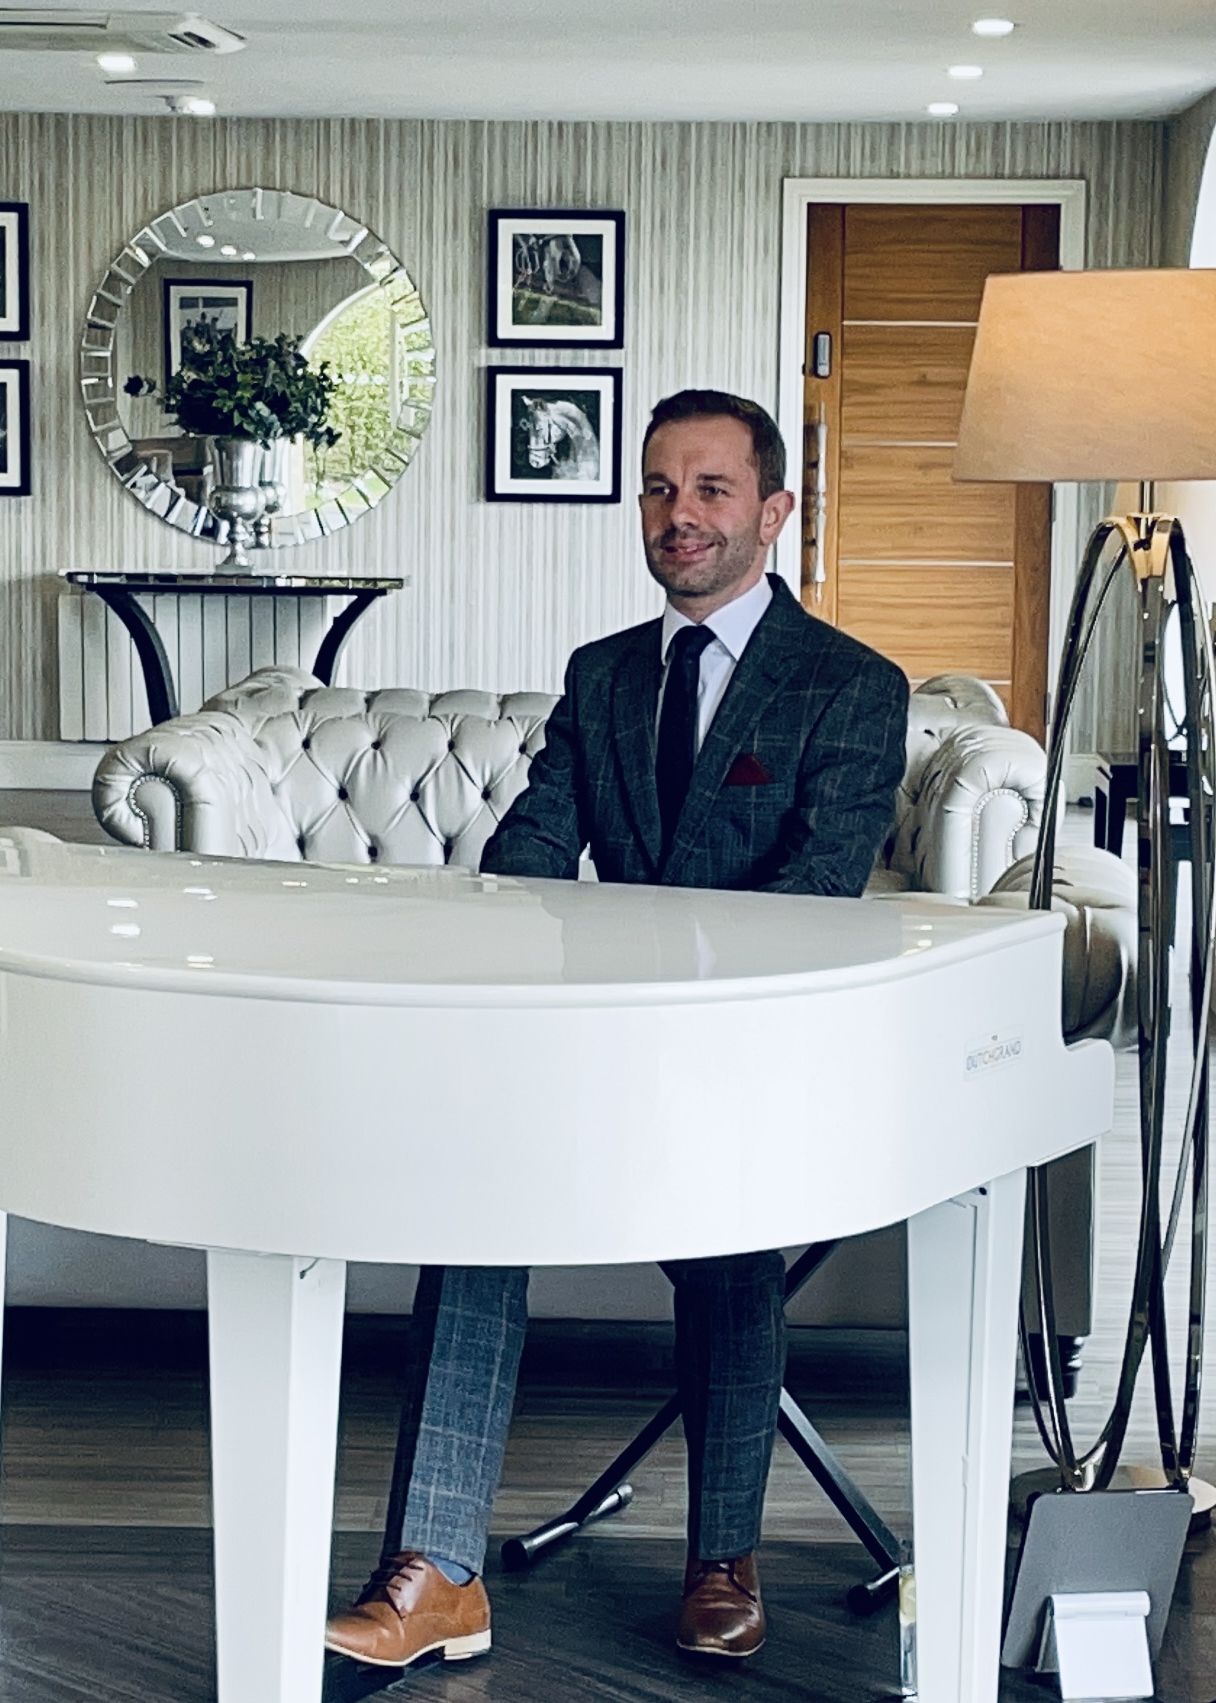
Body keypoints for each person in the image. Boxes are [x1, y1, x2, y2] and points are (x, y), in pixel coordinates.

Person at [323, 389, 910, 1667]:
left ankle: (721, 1555)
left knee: (735, 1254)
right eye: (656, 487)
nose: (677, 515)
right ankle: (436, 1573)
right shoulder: (599, 675)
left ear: (771, 510)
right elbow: (536, 845)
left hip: (744, 1066)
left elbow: (815, 897)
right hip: (583, 1055)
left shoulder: (851, 687)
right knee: (470, 1225)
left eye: (707, 489)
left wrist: (665, 1013)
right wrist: (508, 941)